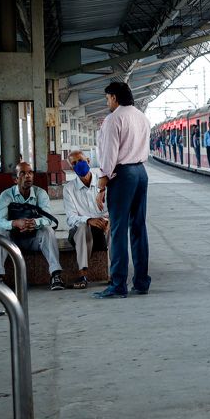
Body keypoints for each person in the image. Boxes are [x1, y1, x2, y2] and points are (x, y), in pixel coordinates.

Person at [93, 81, 151, 299]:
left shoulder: (113, 119)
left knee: (117, 230)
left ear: (114, 97)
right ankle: (142, 282)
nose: (107, 102)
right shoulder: (141, 116)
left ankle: (118, 285)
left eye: (107, 98)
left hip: (122, 175)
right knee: (138, 228)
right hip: (140, 173)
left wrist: (101, 186)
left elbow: (109, 155)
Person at [0, 162, 65, 291]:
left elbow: (48, 220)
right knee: (1, 233)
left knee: (48, 231)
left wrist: (34, 223)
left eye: (30, 173)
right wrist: (15, 223)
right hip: (13, 240)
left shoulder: (40, 193)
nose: (28, 176)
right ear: (15, 179)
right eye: (23, 173)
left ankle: (55, 275)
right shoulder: (6, 195)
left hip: (34, 239)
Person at [63, 150, 109, 290]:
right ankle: (82, 274)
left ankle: (114, 273)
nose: (79, 165)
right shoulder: (69, 188)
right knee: (82, 226)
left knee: (114, 226)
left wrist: (106, 221)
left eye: (81, 161)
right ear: (71, 168)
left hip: (102, 230)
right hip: (82, 234)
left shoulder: (103, 184)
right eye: (74, 163)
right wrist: (88, 220)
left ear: (88, 161)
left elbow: (114, 209)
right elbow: (71, 218)